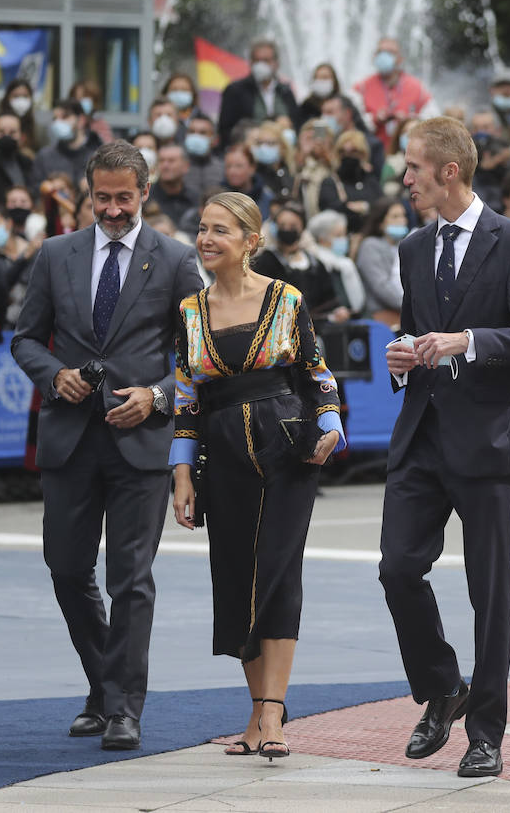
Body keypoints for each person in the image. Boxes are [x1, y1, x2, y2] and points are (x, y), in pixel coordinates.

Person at [379, 117, 510, 779]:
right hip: (422, 433)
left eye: (413, 168)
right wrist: (403, 357)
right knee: (397, 568)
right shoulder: (410, 247)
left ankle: (486, 732)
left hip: (488, 440)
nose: (404, 178)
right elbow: (415, 331)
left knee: (492, 595)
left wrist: (469, 340)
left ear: (447, 171)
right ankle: (441, 687)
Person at [11, 141, 203, 751]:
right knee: (67, 569)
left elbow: (200, 361)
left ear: (145, 192)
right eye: (102, 198)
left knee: (130, 578)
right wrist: (53, 374)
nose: (113, 210)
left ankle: (122, 706)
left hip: (140, 443)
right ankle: (104, 684)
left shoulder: (175, 260)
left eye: (124, 197)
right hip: (68, 439)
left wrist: (157, 396)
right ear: (86, 194)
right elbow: (24, 340)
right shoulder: (54, 254)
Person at [168, 192, 345, 760]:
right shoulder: (190, 311)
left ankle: (273, 712)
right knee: (236, 576)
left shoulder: (285, 298)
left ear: (251, 241)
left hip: (287, 450)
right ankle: (256, 712)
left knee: (277, 571)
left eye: (221, 229)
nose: (206, 239)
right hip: (221, 457)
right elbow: (187, 401)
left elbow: (317, 374)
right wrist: (182, 475)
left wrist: (332, 427)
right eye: (201, 228)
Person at [251, 205, 349, 322]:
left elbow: (329, 299)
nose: (287, 229)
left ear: (302, 228)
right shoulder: (264, 262)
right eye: (282, 225)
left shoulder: (315, 263)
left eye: (293, 226)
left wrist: (338, 312)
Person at [355, 37, 435, 149]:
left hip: (407, 154)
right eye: (380, 52)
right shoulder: (361, 87)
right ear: (374, 57)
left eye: (390, 52)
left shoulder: (418, 88)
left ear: (400, 58)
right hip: (370, 151)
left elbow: (433, 122)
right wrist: (375, 119)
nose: (384, 56)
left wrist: (408, 121)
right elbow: (352, 123)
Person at [219, 41, 300, 143]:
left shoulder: (285, 91)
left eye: (266, 60)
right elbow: (225, 130)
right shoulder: (236, 90)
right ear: (251, 63)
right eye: (257, 60)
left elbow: (297, 124)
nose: (261, 65)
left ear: (276, 63)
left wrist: (288, 125)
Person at [357, 198, 409, 327]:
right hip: (381, 319)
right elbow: (381, 286)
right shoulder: (370, 246)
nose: (401, 220)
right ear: (380, 222)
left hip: (405, 315)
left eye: (403, 215)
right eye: (395, 216)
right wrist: (412, 305)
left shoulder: (405, 244)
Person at [319, 130, 380, 234]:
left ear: (363, 154)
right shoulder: (330, 182)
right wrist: (364, 208)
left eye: (353, 151)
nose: (348, 156)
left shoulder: (370, 180)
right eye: (343, 152)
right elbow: (330, 209)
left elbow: (381, 206)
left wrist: (363, 206)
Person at [32, 99, 102, 189]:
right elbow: (34, 190)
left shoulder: (99, 158)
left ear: (81, 120)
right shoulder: (44, 157)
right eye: (55, 118)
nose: (58, 123)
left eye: (64, 117)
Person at [307, 209, 366, 316]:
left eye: (344, 234)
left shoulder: (343, 262)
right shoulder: (318, 264)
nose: (344, 239)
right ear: (322, 239)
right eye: (338, 235)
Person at [0, 113, 37, 206]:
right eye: (1, 132)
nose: (6, 136)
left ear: (22, 138)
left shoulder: (28, 164)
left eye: (12, 132)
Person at [148, 144, 198, 227]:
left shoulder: (195, 198)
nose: (165, 165)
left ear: (186, 166)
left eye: (171, 161)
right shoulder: (146, 197)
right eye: (161, 161)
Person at [0, 78, 40, 152]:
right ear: (7, 98)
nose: (21, 101)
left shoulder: (37, 128)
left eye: (25, 96)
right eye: (16, 96)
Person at [70, 78, 116, 145]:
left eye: (84, 97)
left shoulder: (100, 124)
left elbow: (107, 146)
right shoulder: (69, 122)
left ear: (94, 99)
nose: (79, 101)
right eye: (77, 98)